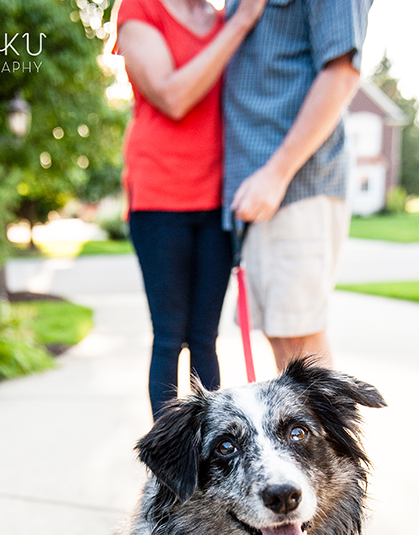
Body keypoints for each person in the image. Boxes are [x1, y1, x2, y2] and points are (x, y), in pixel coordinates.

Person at [113, 0, 267, 419]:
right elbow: (172, 96)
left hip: (217, 199)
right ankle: (167, 469)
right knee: (168, 336)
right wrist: (241, 25)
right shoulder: (140, 10)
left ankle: (209, 457)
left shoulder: (220, 20)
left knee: (204, 338)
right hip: (159, 197)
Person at [223, 0, 373, 370]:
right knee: (283, 338)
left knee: (299, 339)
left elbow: (341, 72)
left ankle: (333, 433)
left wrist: (276, 173)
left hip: (295, 185)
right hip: (259, 194)